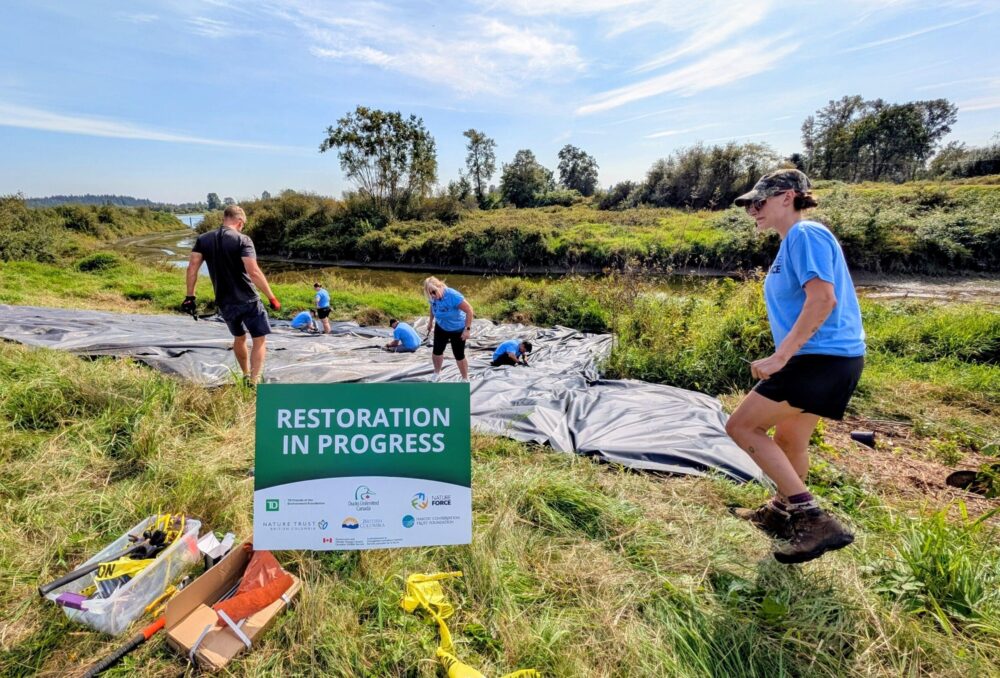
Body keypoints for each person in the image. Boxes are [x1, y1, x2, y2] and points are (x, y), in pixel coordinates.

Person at [726, 169, 865, 565]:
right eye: (749, 205)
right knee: (790, 440)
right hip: (830, 359)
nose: (753, 211)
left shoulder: (806, 235)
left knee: (740, 426)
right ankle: (782, 512)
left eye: (759, 202)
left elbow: (822, 300)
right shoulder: (793, 243)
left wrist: (781, 357)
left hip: (821, 360)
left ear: (787, 197)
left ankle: (812, 517)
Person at [182, 205, 280, 386]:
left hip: (224, 302)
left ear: (224, 218)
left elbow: (192, 268)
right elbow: (254, 272)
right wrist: (271, 297)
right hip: (248, 299)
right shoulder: (243, 240)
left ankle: (245, 374)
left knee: (239, 337)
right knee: (259, 339)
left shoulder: (203, 239)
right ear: (240, 222)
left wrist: (190, 297)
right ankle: (255, 380)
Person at [423, 277, 474, 381]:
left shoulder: (453, 296)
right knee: (437, 351)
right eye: (430, 294)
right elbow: (432, 307)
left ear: (440, 286)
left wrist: (467, 329)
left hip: (457, 329)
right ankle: (437, 373)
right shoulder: (433, 296)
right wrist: (430, 322)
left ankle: (465, 378)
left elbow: (469, 310)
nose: (432, 295)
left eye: (434, 292)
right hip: (441, 327)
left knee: (459, 355)